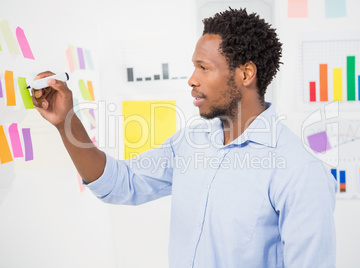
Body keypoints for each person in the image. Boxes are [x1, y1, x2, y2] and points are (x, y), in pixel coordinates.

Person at [32, 8, 336, 268]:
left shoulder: (298, 171)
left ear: (246, 74)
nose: (192, 79)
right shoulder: (191, 142)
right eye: (194, 66)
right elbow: (118, 184)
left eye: (204, 68)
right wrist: (65, 123)